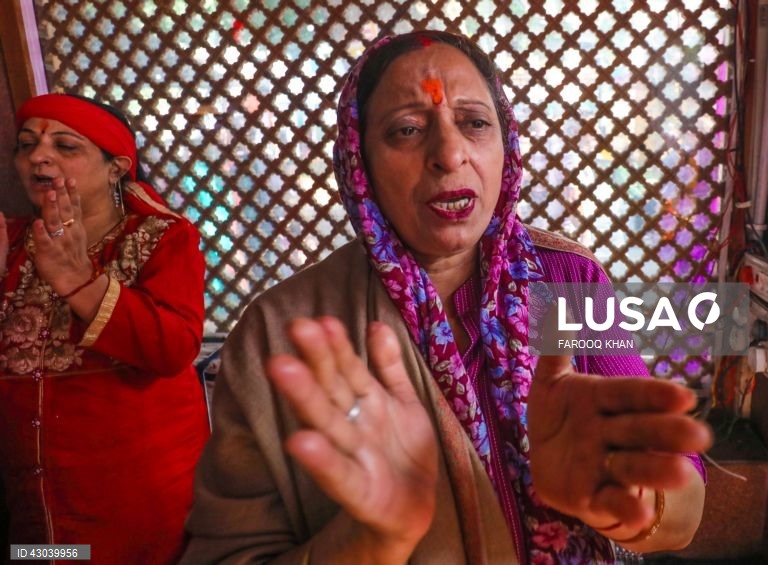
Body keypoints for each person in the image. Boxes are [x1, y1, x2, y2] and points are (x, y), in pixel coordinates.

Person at [182, 31, 711, 563]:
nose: (449, 153)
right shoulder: (282, 332)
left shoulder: (566, 281)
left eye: (475, 123)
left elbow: (683, 502)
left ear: (505, 143)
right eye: (407, 130)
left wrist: (616, 494)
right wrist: (371, 539)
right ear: (358, 161)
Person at [0, 94, 210, 564]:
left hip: (139, 512)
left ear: (116, 167)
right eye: (27, 145)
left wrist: (80, 282)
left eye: (66, 146)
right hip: (39, 509)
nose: (39, 157)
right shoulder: (10, 244)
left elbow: (173, 348)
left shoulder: (163, 238)